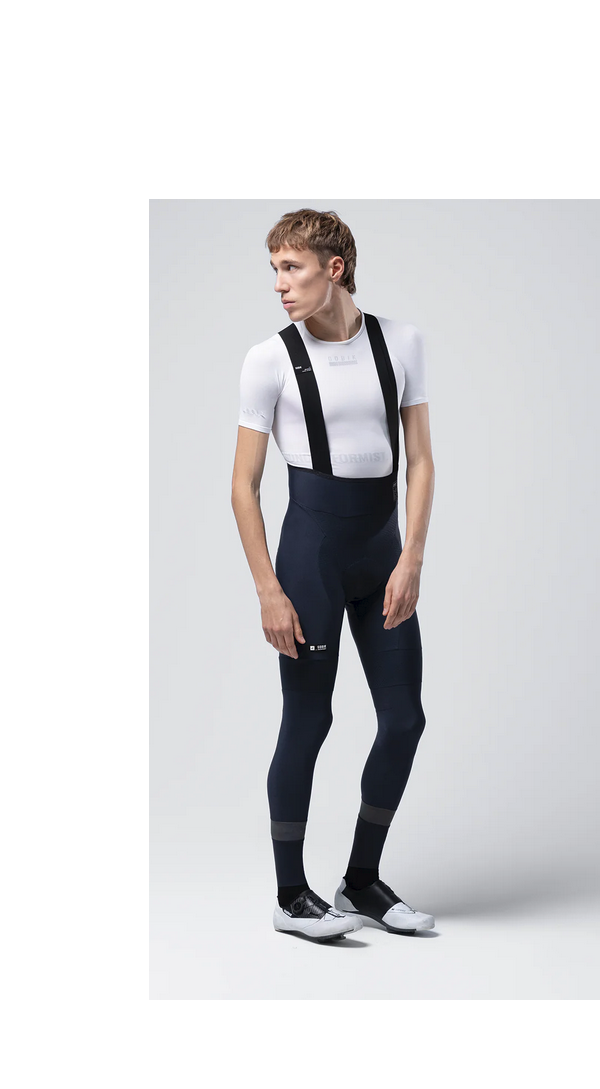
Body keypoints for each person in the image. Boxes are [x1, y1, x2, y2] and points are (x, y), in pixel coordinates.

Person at [230, 209, 438, 942]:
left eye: (292, 268)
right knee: (309, 720)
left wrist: (411, 558)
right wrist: (269, 590)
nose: (279, 285)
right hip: (310, 560)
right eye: (275, 270)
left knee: (405, 720)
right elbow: (243, 486)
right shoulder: (269, 359)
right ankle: (292, 896)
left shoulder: (400, 342)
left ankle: (361, 882)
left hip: (383, 558)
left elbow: (421, 461)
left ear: (335, 268)